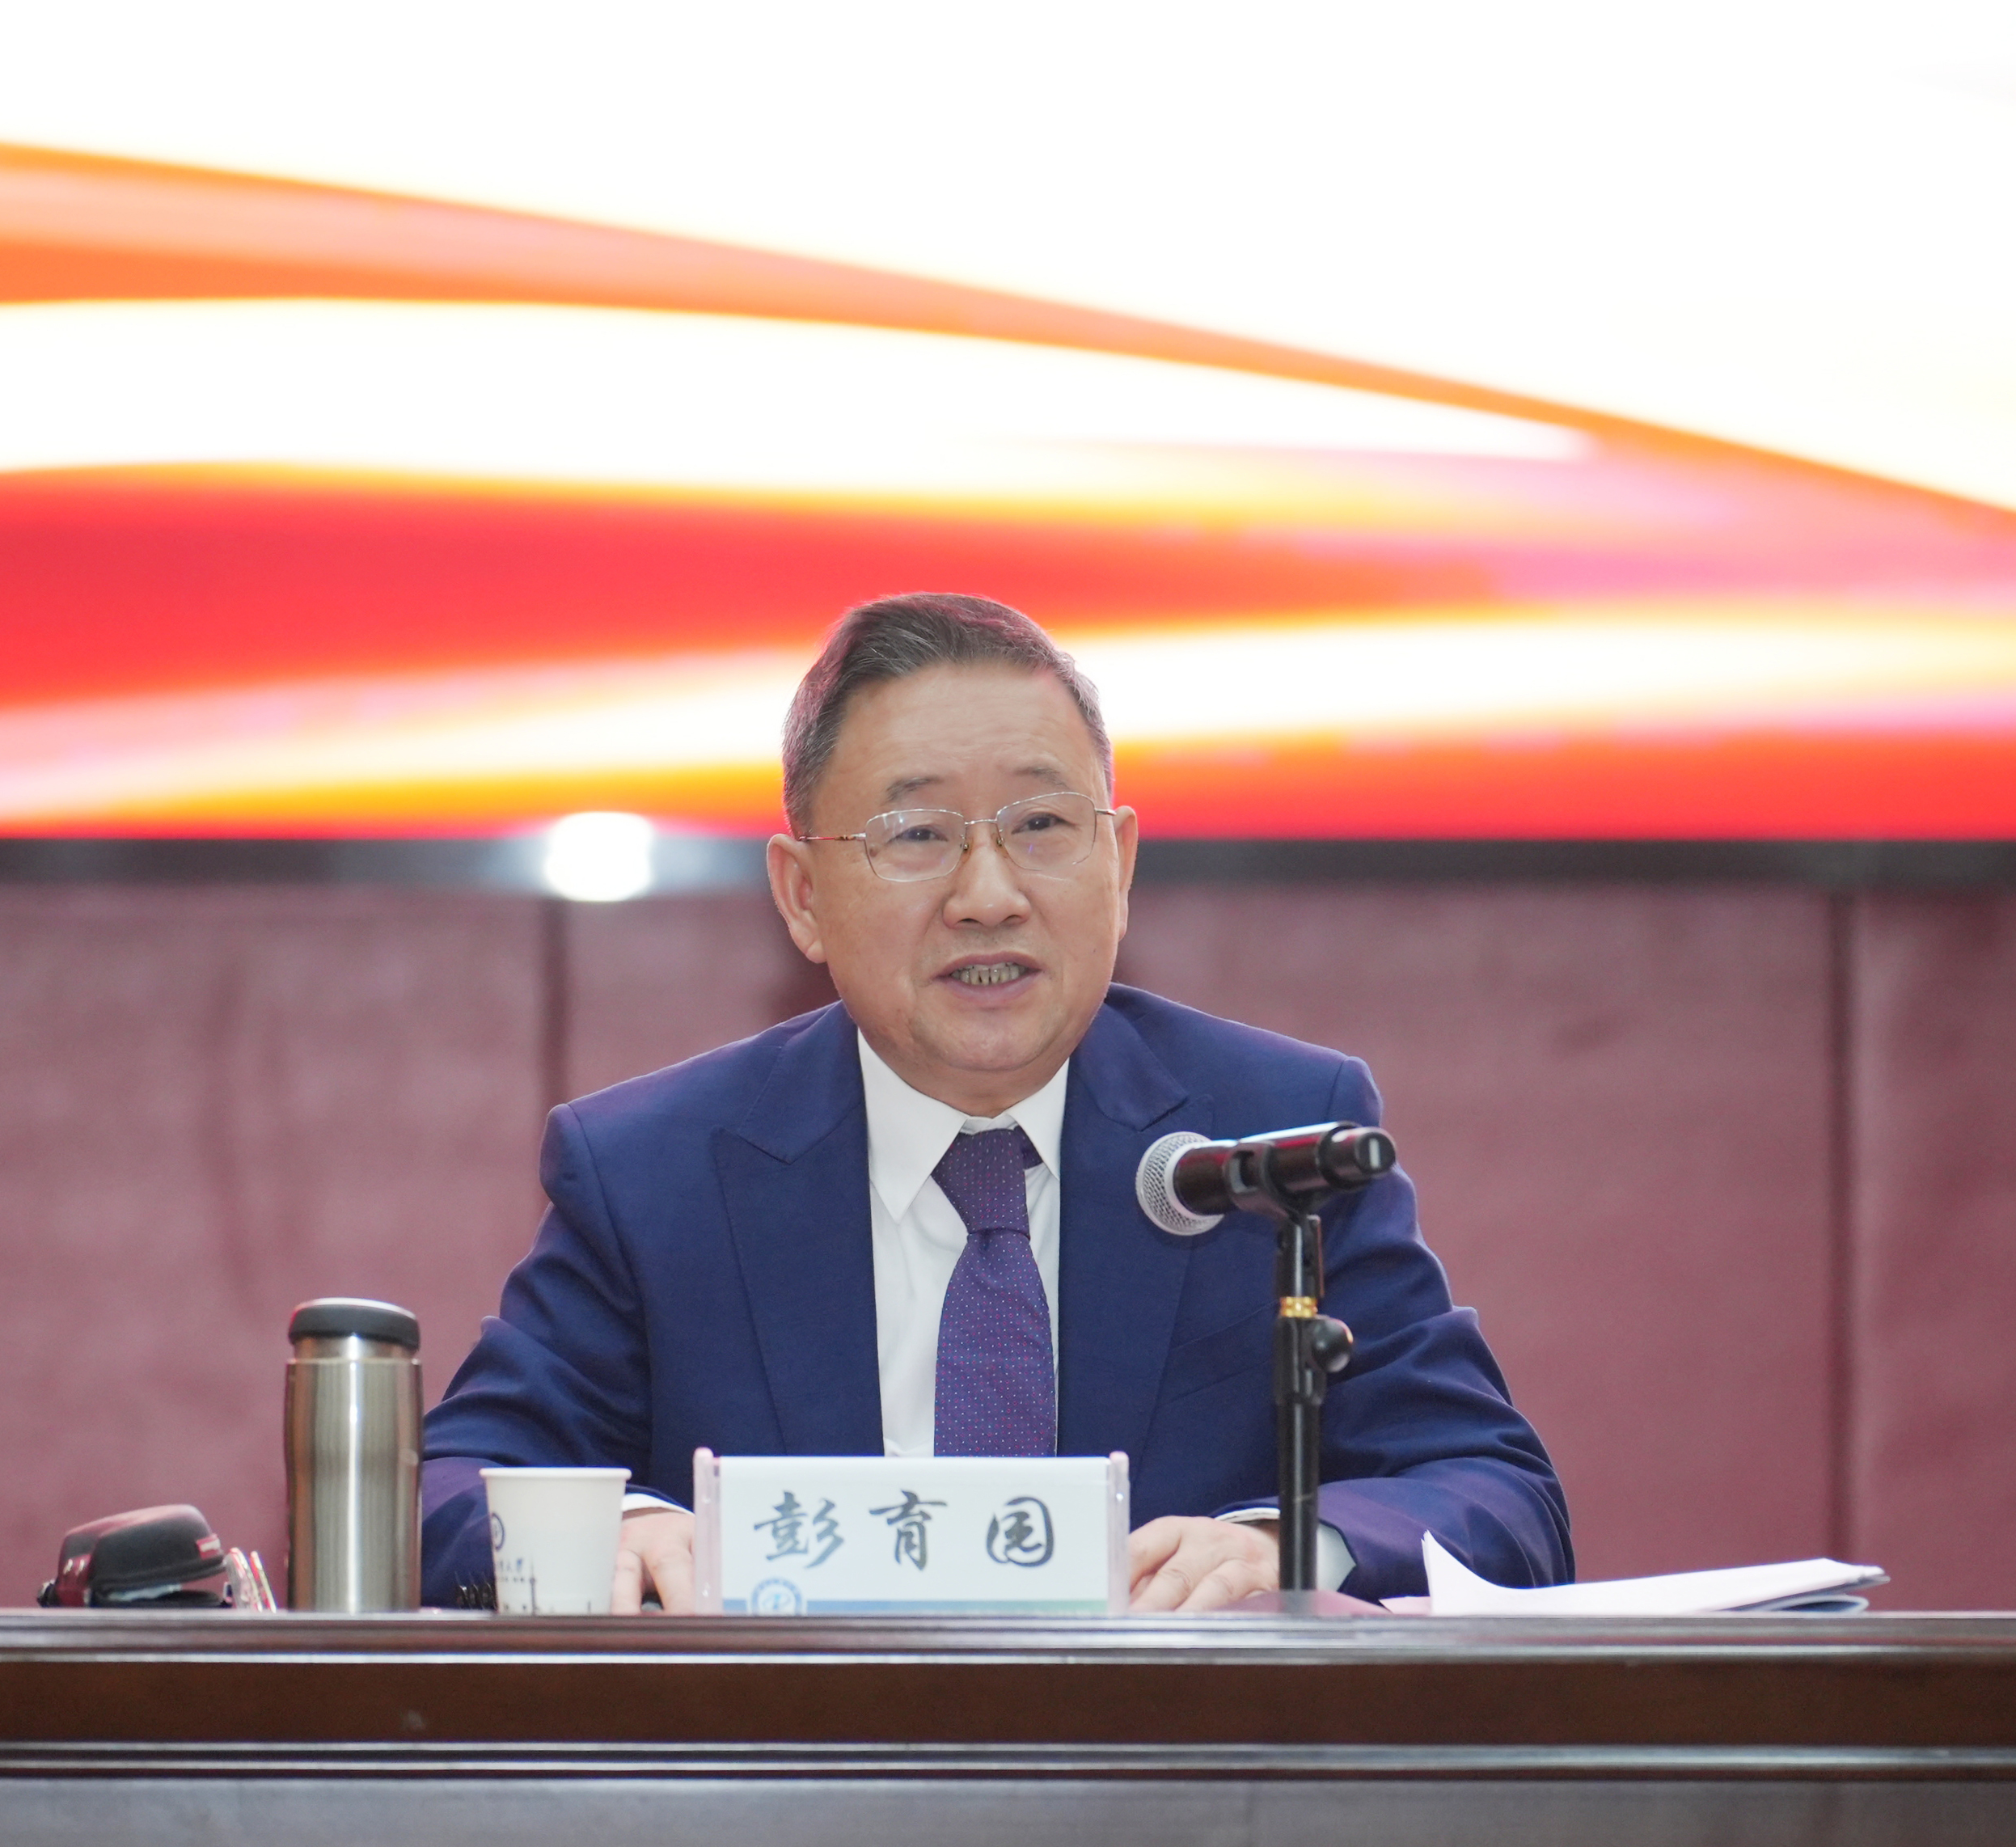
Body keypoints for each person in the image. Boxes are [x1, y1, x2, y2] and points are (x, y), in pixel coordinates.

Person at [421, 594, 1570, 1610]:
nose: (988, 895)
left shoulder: (1272, 1141)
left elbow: (1494, 1494)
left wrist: (1288, 1548)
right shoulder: (655, 1172)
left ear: (1118, 864)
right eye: (916, 835)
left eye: (1041, 826)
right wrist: (619, 1530)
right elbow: (449, 1488)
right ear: (802, 895)